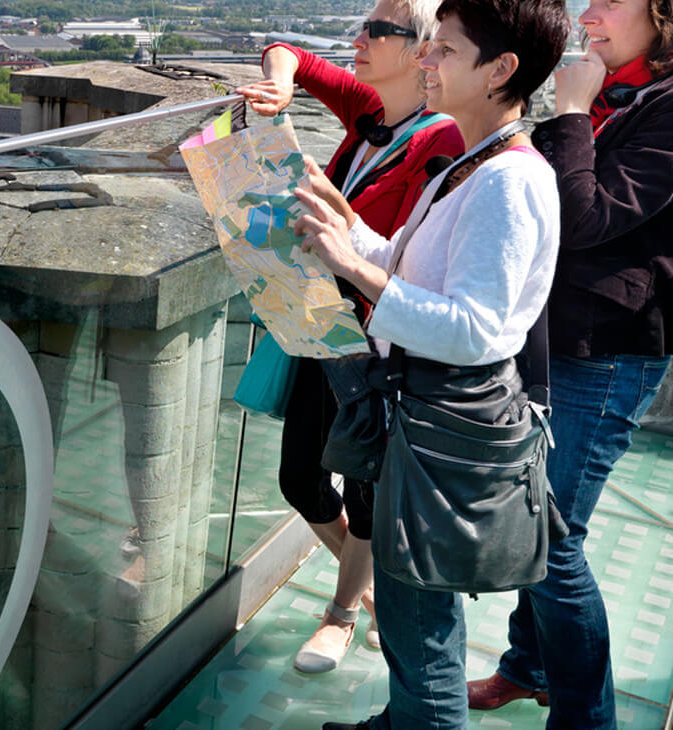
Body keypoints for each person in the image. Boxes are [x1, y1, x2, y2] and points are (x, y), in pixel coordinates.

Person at [293, 0, 570, 726]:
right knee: (419, 625)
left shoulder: (508, 181)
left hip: (438, 431)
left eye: (445, 50)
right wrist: (347, 223)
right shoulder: (478, 164)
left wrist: (353, 264)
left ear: (501, 70)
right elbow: (415, 272)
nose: (426, 60)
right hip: (428, 427)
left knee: (424, 641)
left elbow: (476, 330)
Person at [233, 0, 463, 673]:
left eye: (377, 31)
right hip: (319, 320)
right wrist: (279, 82)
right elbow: (290, 53)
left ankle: (340, 610)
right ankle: (377, 592)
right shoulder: (372, 113)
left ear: (421, 53)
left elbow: (418, 255)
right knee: (301, 477)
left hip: (375, 340)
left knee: (363, 486)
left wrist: (333, 214)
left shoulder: (440, 139)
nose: (357, 40)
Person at [465, 0, 673, 726]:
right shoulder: (625, 93)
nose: (590, 12)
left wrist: (574, 111)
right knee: (535, 521)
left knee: (551, 541)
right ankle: (527, 668)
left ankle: (587, 720)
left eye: (610, 1)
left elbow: (585, 217)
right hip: (558, 339)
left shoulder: (661, 109)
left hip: (609, 353)